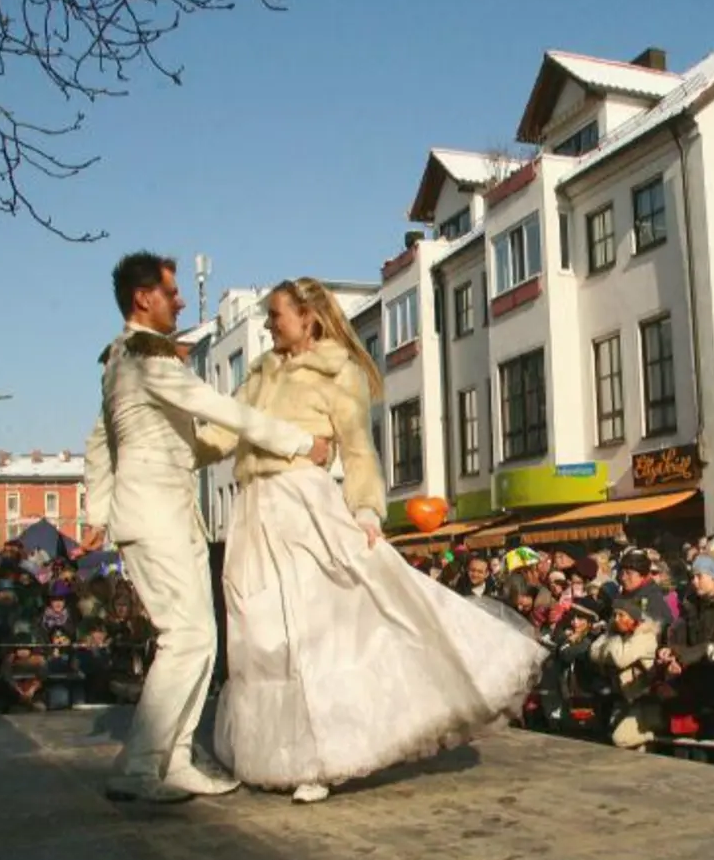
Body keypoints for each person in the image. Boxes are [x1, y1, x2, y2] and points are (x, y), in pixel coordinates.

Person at [199, 277, 546, 804]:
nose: (269, 325)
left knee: (317, 629)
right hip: (253, 511)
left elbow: (358, 448)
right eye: (268, 316)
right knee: (262, 633)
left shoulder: (340, 372)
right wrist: (171, 445)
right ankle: (270, 754)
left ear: (307, 317)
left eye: (276, 315)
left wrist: (365, 510)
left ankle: (321, 759)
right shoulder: (260, 373)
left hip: (302, 503)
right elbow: (222, 434)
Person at [83, 252, 332, 804]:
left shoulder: (118, 361)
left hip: (166, 513)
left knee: (199, 639)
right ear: (142, 298)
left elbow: (100, 442)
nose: (177, 301)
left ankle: (172, 760)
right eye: (171, 293)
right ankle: (142, 765)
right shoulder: (147, 359)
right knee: (189, 638)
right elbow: (225, 411)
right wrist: (301, 442)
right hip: (157, 514)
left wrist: (98, 515)